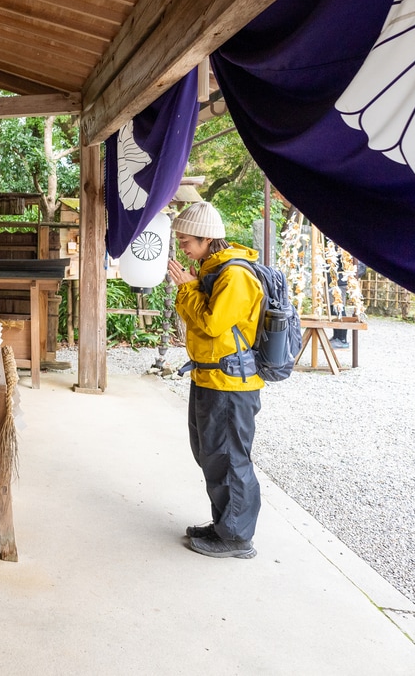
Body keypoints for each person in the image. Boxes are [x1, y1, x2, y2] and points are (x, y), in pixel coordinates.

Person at [167, 200, 264, 560]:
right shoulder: (212, 270)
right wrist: (192, 286)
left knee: (229, 458)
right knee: (211, 454)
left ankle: (237, 538)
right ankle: (224, 524)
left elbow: (211, 324)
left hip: (230, 384)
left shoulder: (234, 275)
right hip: (211, 378)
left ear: (207, 239)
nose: (183, 249)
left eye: (187, 241)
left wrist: (188, 289)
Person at [329, 256, 368, 349]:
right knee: (334, 308)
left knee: (338, 307)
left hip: (341, 280)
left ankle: (342, 338)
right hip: (336, 279)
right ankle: (336, 336)